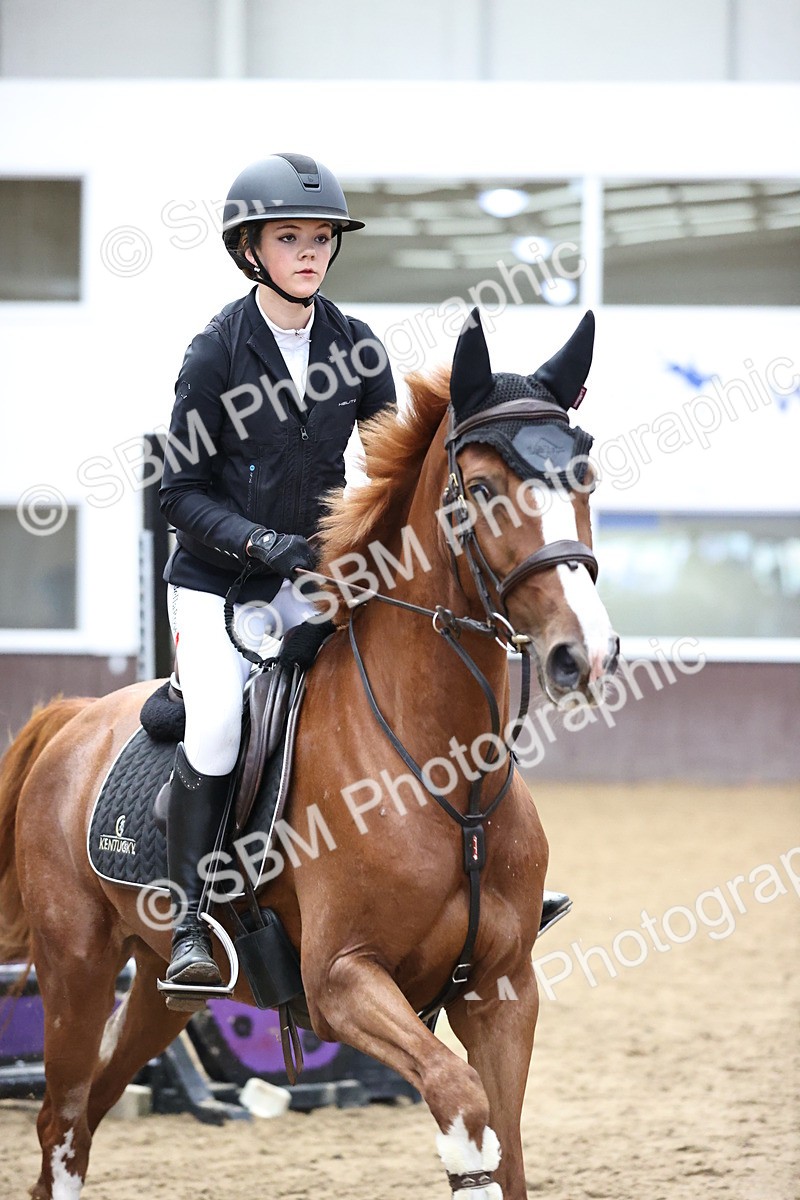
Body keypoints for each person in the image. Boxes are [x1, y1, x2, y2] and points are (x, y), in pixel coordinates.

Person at [158, 153, 397, 989]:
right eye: (289, 237)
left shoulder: (357, 348)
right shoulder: (215, 353)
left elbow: (391, 470)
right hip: (215, 584)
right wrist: (266, 546)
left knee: (405, 689)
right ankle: (189, 920)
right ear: (250, 249)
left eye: (321, 238)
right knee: (221, 724)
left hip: (313, 586)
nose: (310, 253)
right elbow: (178, 493)